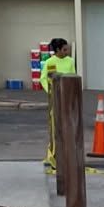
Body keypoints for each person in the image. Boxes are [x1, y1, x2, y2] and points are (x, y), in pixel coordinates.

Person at [40, 37, 76, 174]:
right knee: (56, 128)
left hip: (69, 98)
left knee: (69, 127)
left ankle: (68, 157)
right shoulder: (50, 62)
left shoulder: (70, 61)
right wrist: (50, 92)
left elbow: (73, 75)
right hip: (55, 99)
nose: (67, 51)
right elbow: (44, 78)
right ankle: (54, 158)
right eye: (65, 49)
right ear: (57, 50)